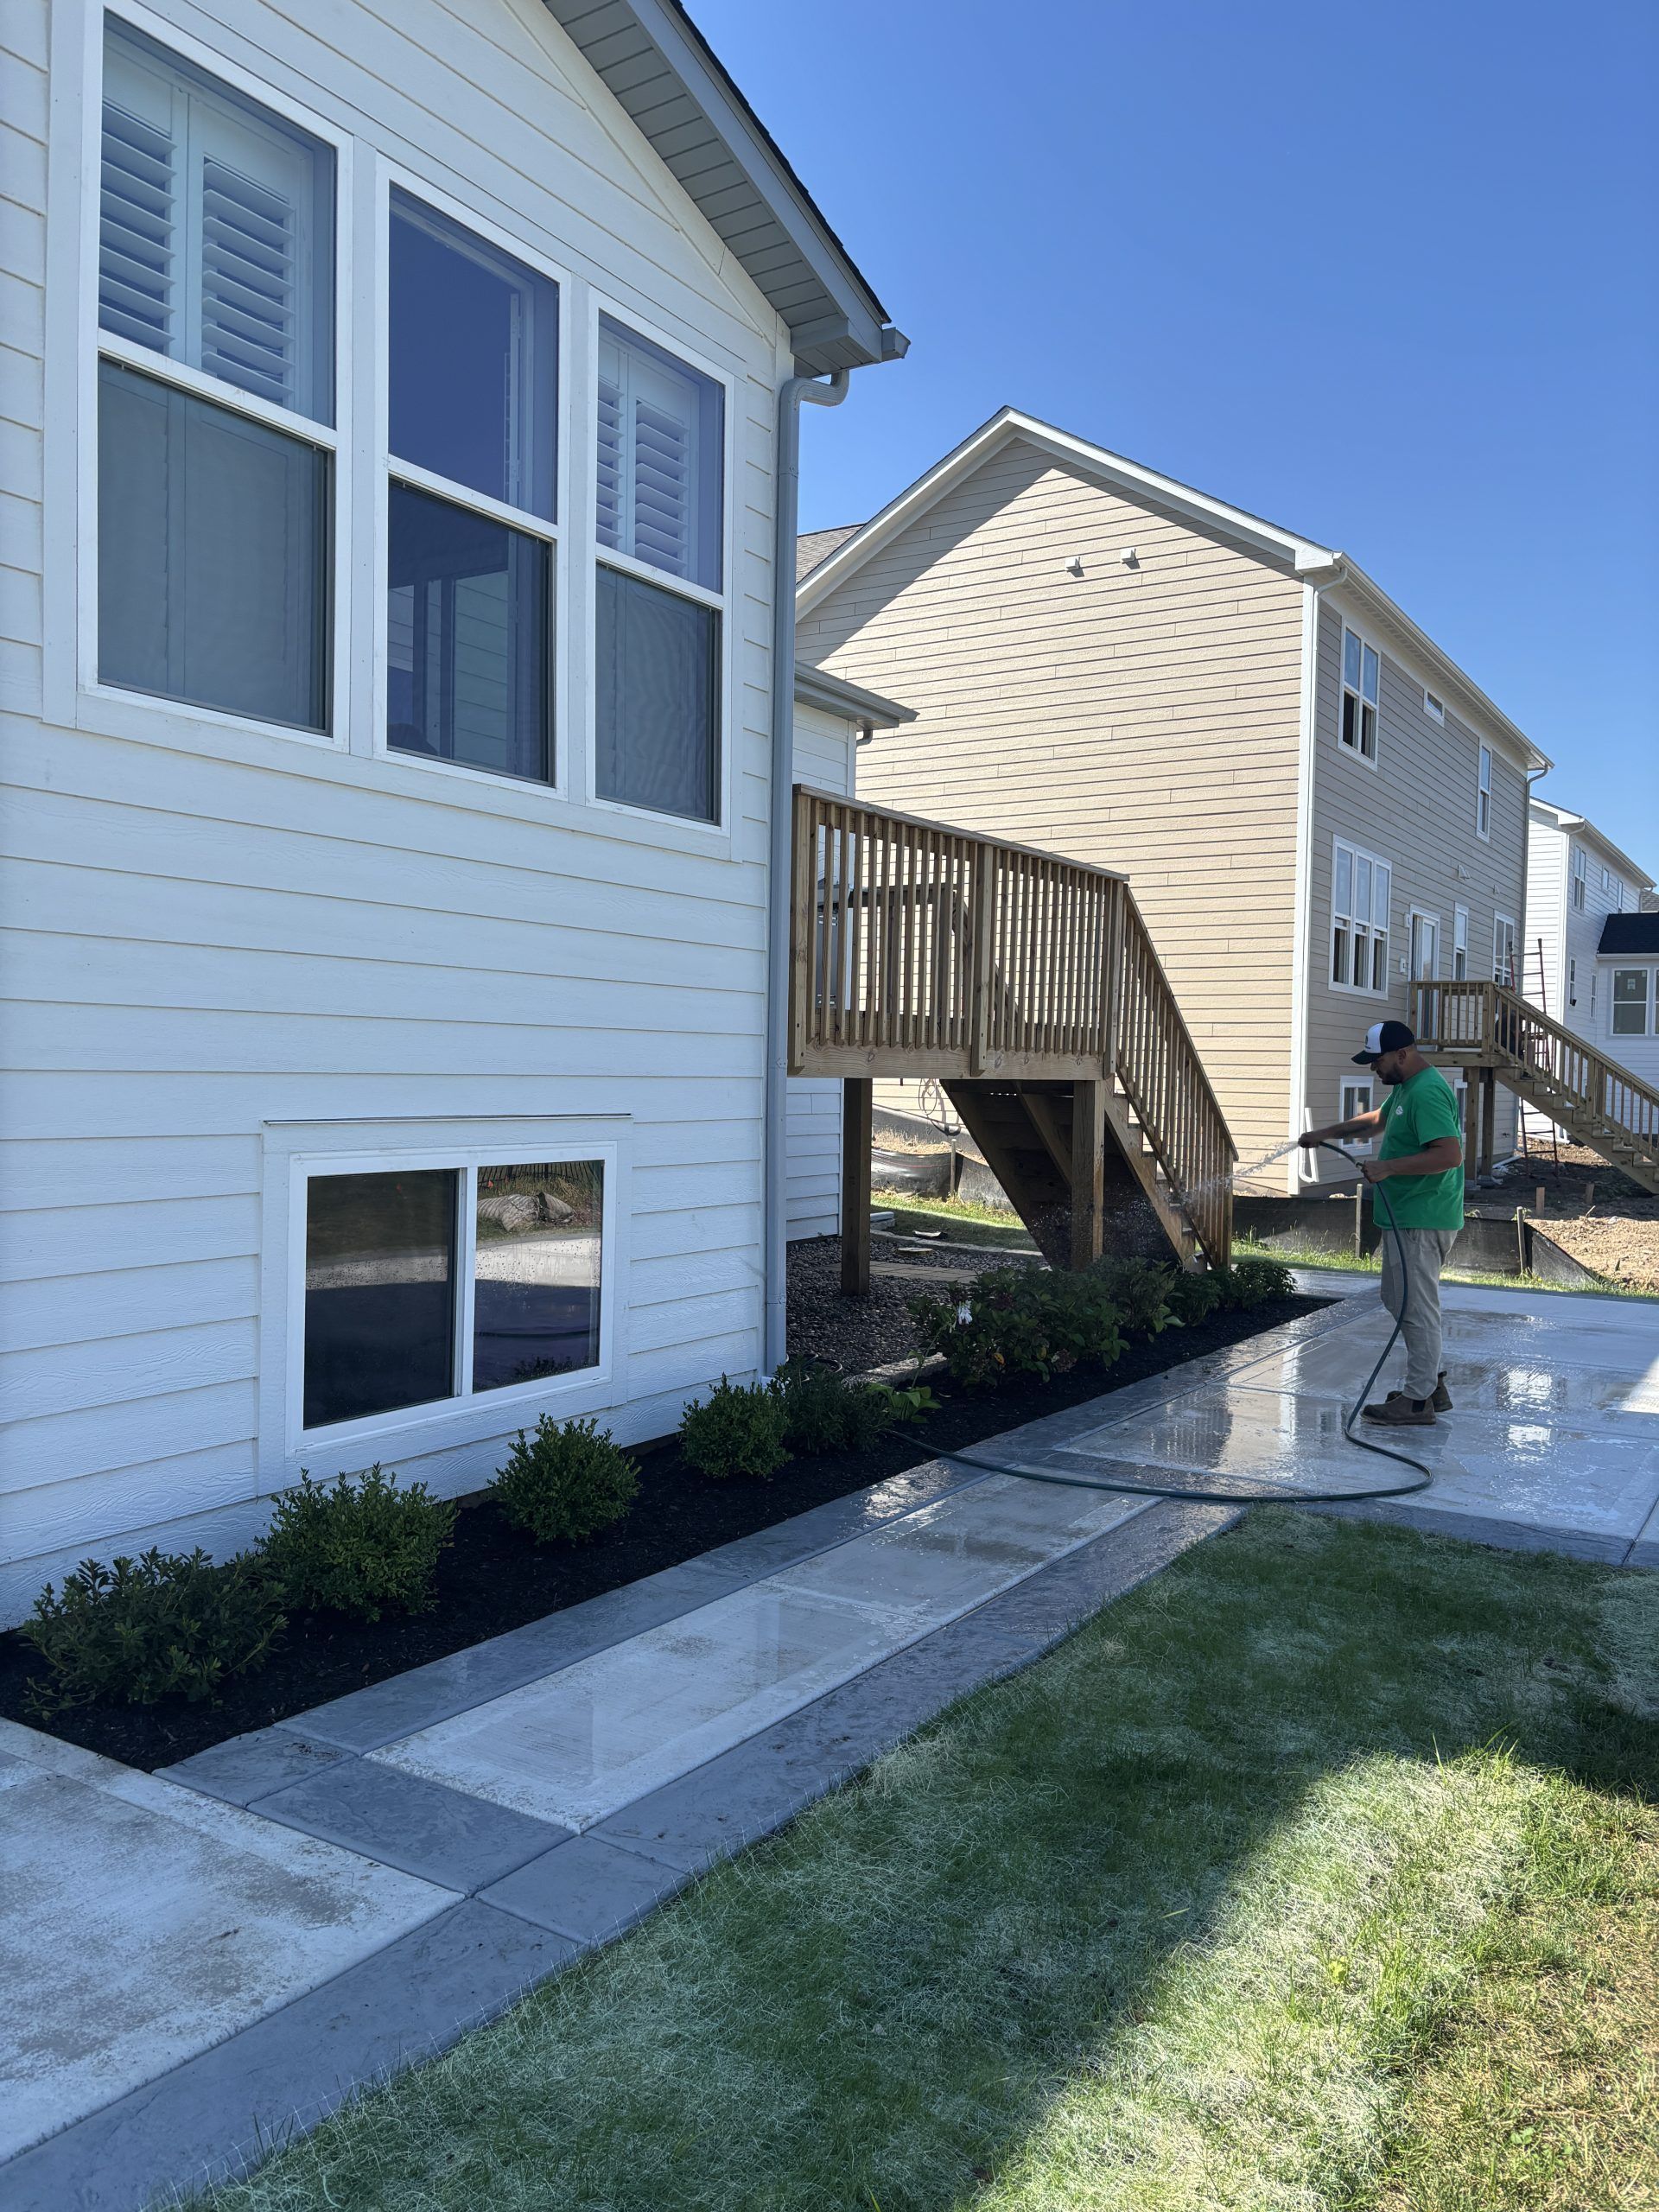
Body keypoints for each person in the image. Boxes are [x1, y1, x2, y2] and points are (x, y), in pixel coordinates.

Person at [1299, 1020, 1465, 1426]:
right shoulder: (1409, 1088)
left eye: (1378, 1061)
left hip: (1422, 1218)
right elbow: (1377, 1120)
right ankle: (1431, 1385)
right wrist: (1326, 1133)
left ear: (1402, 1054)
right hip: (1410, 1216)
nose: (1374, 1069)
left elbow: (1449, 1155)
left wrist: (1388, 1167)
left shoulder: (1426, 1092)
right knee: (1402, 1300)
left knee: (1415, 1307)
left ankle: (1417, 1400)